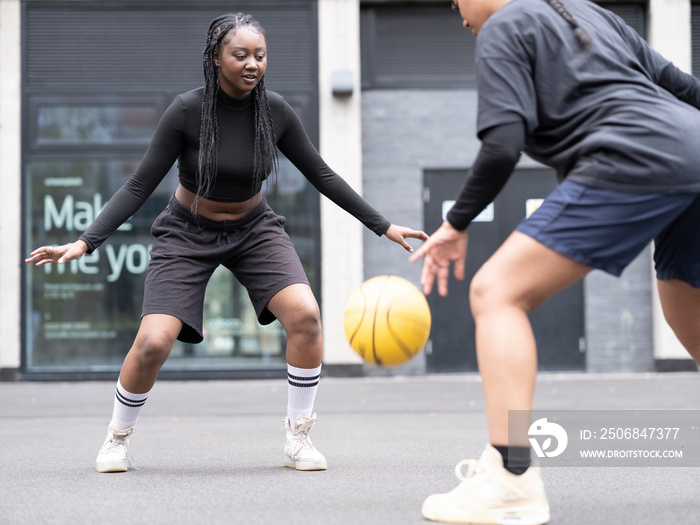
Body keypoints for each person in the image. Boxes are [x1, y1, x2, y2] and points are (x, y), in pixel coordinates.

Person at [26, 12, 427, 474]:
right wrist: (86, 241)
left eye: (260, 55)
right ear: (217, 57)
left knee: (306, 316)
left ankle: (298, 437)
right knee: (154, 342)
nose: (252, 63)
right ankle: (117, 437)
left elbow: (322, 175)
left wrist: (383, 225)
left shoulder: (275, 112)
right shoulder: (186, 111)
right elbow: (138, 186)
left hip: (254, 229)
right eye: (240, 55)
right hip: (186, 230)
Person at [409, 0, 700, 523]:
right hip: (692, 148)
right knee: (687, 307)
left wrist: (455, 225)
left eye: (457, 4)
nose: (460, 18)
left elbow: (502, 146)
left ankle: (511, 477)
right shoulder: (590, 13)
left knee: (495, 291)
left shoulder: (504, 28)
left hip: (632, 156)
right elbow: (684, 87)